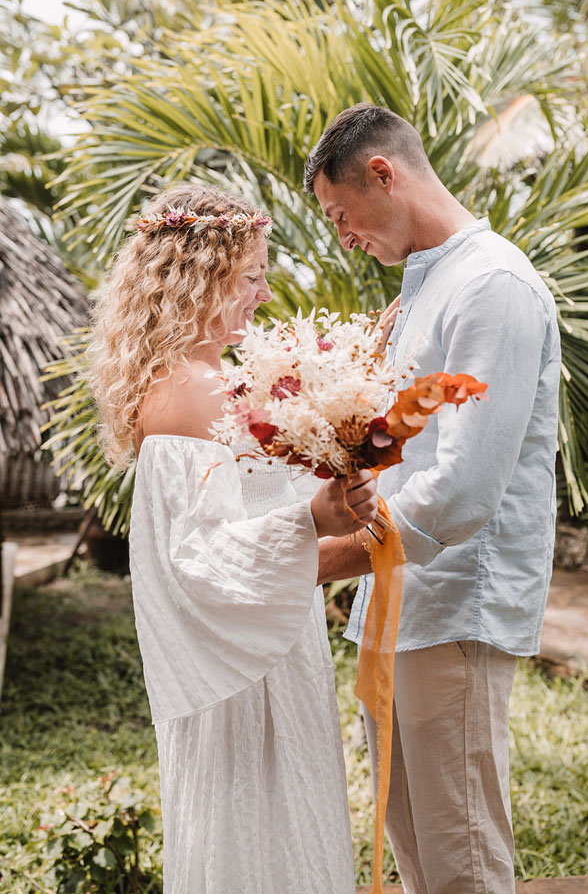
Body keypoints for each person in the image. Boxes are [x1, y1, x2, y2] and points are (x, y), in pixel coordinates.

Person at [88, 184, 380, 894]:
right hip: (246, 670)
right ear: (203, 276)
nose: (263, 289)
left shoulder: (192, 379)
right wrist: (318, 521)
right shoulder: (199, 390)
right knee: (268, 840)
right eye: (251, 274)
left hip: (254, 645)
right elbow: (203, 559)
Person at [305, 103, 561, 894]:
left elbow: (462, 489)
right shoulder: (427, 287)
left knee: (460, 854)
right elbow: (401, 453)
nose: (342, 237)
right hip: (399, 604)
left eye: (340, 214)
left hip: (455, 602)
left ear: (383, 173)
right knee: (410, 839)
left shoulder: (490, 285)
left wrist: (327, 561)